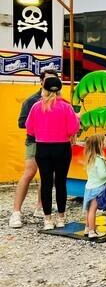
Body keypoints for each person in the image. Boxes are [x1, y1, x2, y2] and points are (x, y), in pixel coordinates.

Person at [25, 76, 80, 230]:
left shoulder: (36, 106)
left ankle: (47, 219)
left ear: (44, 89)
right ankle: (61, 218)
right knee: (61, 182)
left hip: (42, 148)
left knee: (46, 183)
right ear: (60, 90)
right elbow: (72, 129)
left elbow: (30, 129)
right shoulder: (66, 107)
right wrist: (78, 119)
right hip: (62, 148)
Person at [9, 68, 59, 228]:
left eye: (54, 79)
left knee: (48, 175)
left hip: (52, 142)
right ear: (41, 82)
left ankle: (40, 206)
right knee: (30, 172)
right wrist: (41, 125)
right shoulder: (32, 101)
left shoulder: (59, 101)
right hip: (34, 142)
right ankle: (16, 212)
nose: (51, 83)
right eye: (48, 79)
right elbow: (22, 122)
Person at [82, 134, 106, 239]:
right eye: (105, 141)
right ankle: (92, 231)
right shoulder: (99, 160)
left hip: (89, 187)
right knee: (93, 210)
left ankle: (87, 228)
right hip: (97, 188)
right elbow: (102, 175)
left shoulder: (91, 158)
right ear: (99, 144)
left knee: (89, 209)